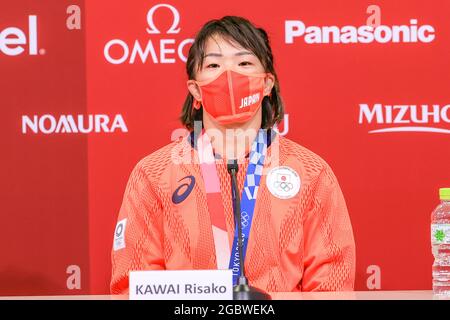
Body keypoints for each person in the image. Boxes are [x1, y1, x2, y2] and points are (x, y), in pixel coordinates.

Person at [110, 16, 355, 294]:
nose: (229, 76)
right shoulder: (153, 174)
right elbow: (133, 285)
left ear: (267, 84)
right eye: (214, 65)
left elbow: (333, 284)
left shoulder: (311, 172)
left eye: (244, 63)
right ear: (195, 90)